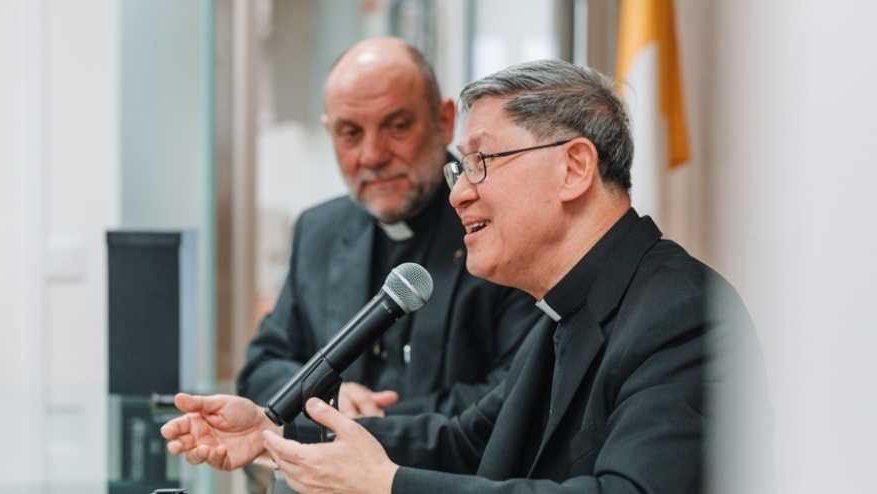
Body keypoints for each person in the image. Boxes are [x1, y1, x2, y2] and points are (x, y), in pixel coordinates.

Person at [163, 59, 772, 493]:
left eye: (481, 161)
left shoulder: (683, 312)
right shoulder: (562, 310)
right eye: (462, 168)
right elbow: (466, 441)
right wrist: (274, 430)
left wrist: (388, 485)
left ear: (574, 168)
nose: (459, 194)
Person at [238, 37, 540, 430]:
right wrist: (328, 395)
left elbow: (520, 391)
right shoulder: (318, 231)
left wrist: (374, 422)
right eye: (350, 133)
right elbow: (261, 367)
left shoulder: (504, 221)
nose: (373, 156)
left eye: (397, 127)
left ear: (444, 121)